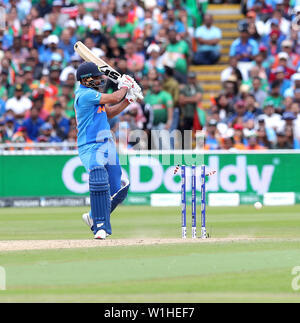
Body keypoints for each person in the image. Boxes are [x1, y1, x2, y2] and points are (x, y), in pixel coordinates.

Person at [74, 62, 141, 240]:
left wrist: (129, 99)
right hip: (90, 145)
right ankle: (101, 228)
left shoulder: (94, 96)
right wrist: (126, 86)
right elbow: (112, 98)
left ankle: (93, 216)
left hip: (107, 144)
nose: (99, 79)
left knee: (119, 188)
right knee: (98, 177)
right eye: (95, 77)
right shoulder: (85, 95)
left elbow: (109, 112)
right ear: (85, 79)